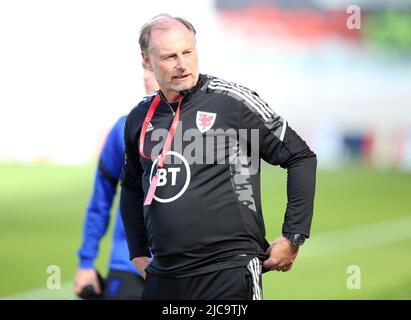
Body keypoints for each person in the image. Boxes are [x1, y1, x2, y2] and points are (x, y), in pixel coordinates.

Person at [120, 14, 317, 300]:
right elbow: (131, 185)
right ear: (147, 61)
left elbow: (300, 157)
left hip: (228, 270)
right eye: (169, 56)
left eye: (187, 52)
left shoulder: (232, 101)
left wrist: (293, 236)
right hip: (164, 274)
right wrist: (137, 252)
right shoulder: (140, 117)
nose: (182, 65)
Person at [74, 65, 159, 299]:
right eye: (144, 68)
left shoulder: (196, 133)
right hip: (128, 266)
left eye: (152, 69)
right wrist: (86, 262)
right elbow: (100, 200)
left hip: (184, 269)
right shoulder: (123, 128)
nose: (145, 76)